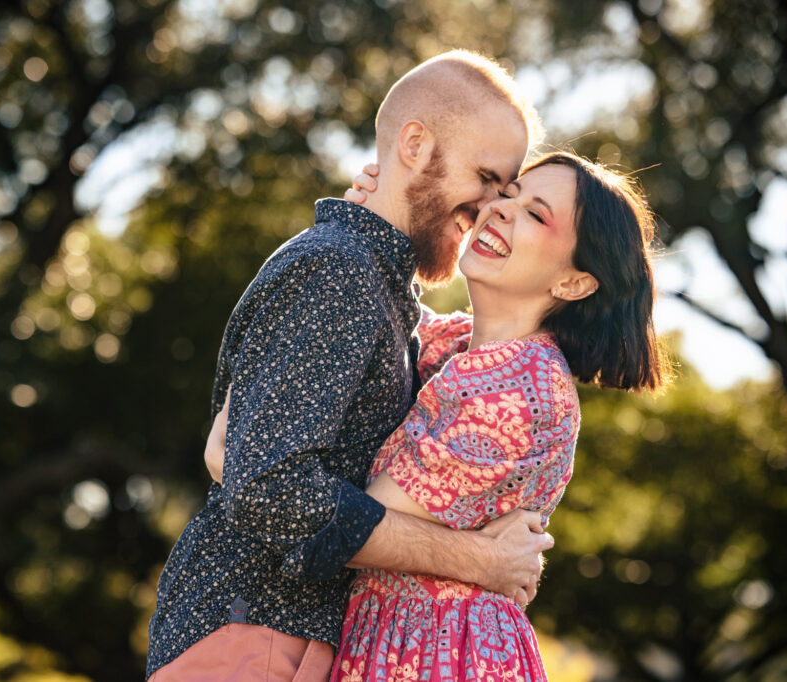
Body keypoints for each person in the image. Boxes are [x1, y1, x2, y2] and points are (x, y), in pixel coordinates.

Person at [146, 50, 553, 682]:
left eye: (509, 190)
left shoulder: (376, 285)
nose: (493, 207)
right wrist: (480, 562)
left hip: (286, 640)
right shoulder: (340, 272)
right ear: (413, 145)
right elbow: (269, 489)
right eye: (487, 177)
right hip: (256, 637)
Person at [207, 151, 669, 680]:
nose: (501, 209)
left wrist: (240, 458)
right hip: (391, 637)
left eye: (537, 215)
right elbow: (362, 309)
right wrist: (369, 216)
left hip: (441, 650)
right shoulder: (453, 346)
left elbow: (331, 525)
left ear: (573, 283)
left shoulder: (522, 390)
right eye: (509, 193)